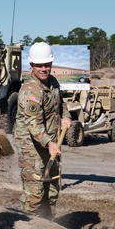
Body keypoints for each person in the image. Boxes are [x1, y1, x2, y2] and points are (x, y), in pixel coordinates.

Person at [15, 41, 71, 218]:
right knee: (34, 195)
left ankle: (48, 228)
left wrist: (66, 115)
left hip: (51, 144)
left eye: (47, 64)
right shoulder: (30, 90)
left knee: (52, 190)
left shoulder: (53, 83)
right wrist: (49, 143)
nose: (44, 69)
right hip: (32, 148)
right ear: (31, 65)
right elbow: (33, 124)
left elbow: (60, 104)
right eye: (39, 65)